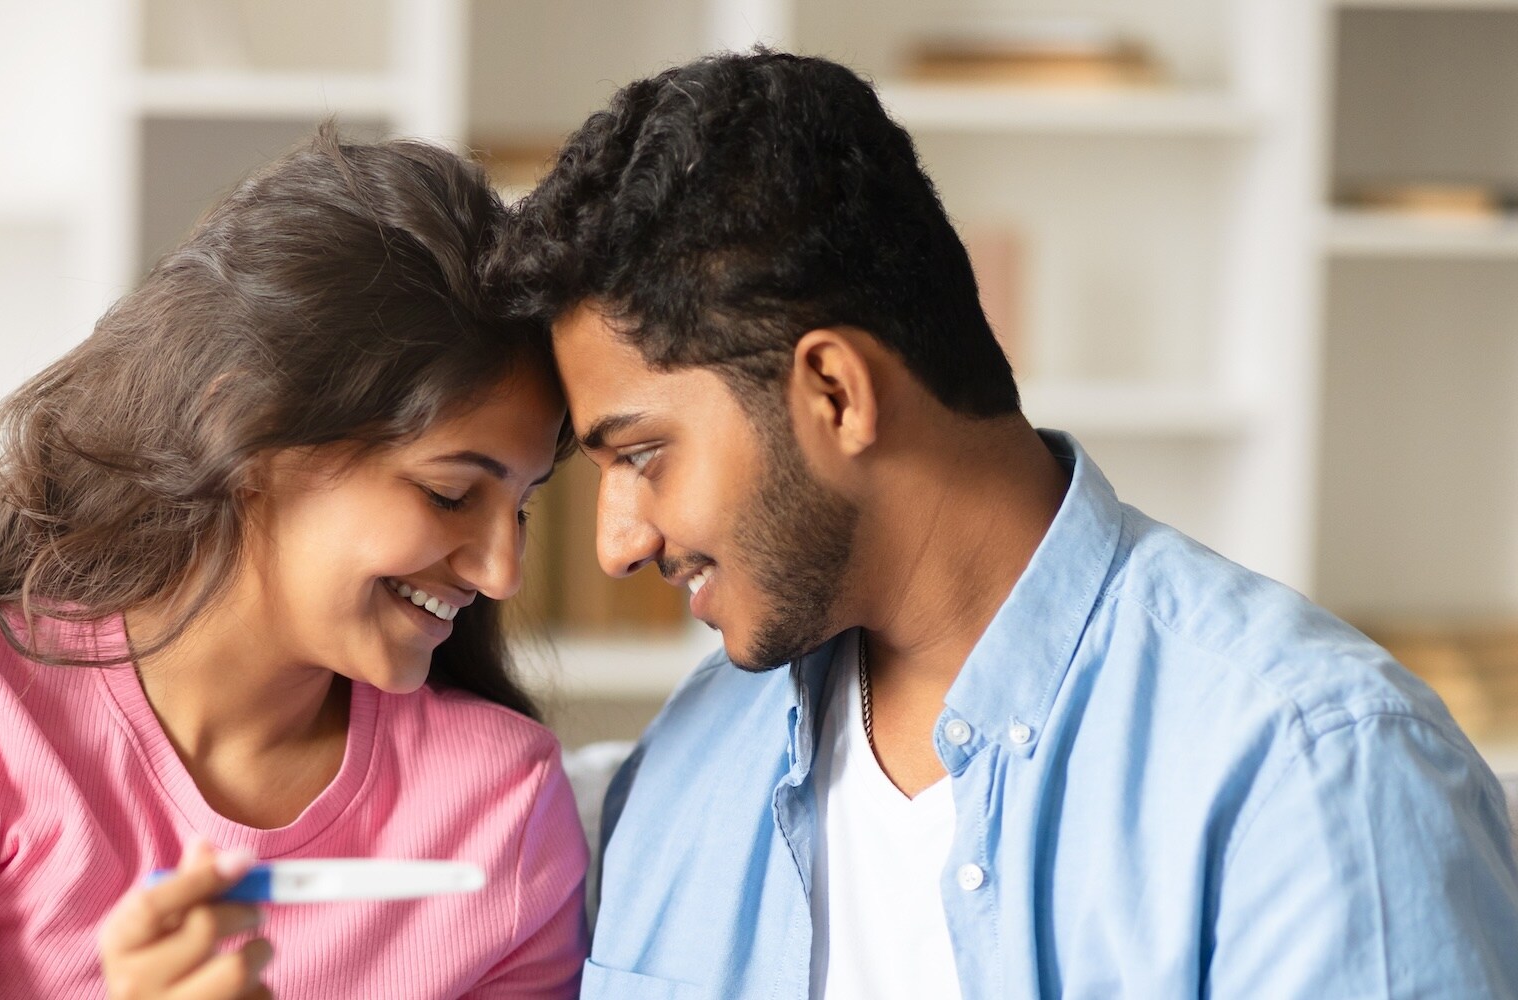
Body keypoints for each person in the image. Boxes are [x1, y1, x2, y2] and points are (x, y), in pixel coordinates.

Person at [487, 50, 1518, 998]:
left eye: (643, 455)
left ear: (836, 394)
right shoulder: (688, 765)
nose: (616, 543)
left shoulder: (1313, 770)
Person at [0, 128, 587, 1000]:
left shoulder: (501, 809)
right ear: (248, 430)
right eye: (450, 494)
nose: (501, 571)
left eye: (521, 505)